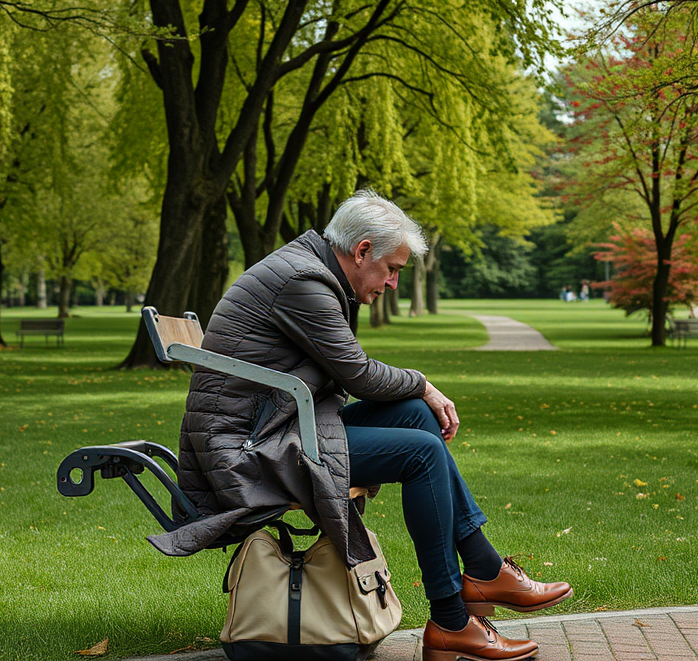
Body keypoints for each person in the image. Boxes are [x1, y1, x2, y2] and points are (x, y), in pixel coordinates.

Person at [150, 190, 572, 661]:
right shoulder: (302, 281)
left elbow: (350, 373)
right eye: (392, 268)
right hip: (251, 452)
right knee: (422, 451)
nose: (393, 282)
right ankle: (454, 617)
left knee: (414, 416)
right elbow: (358, 374)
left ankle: (481, 572)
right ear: (362, 250)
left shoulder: (310, 270)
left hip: (277, 428)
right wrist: (424, 383)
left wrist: (417, 395)